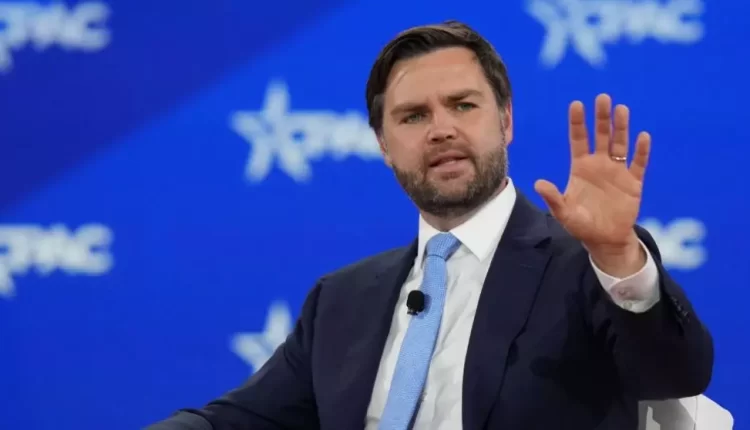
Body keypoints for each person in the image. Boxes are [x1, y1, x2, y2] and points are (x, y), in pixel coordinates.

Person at [147, 20, 713, 430]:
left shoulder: (586, 267)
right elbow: (237, 421)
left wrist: (615, 254)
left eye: (463, 105)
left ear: (506, 121)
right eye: (414, 116)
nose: (441, 129)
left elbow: (673, 376)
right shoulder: (340, 301)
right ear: (383, 145)